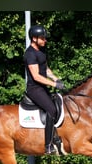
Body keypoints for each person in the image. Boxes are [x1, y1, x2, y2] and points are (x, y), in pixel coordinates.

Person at [24, 25, 65, 155]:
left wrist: (56, 79)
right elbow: (36, 76)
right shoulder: (30, 54)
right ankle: (48, 145)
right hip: (34, 89)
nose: (45, 40)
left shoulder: (41, 52)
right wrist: (54, 85)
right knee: (51, 109)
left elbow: (46, 70)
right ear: (34, 38)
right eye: (42, 38)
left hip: (42, 87)